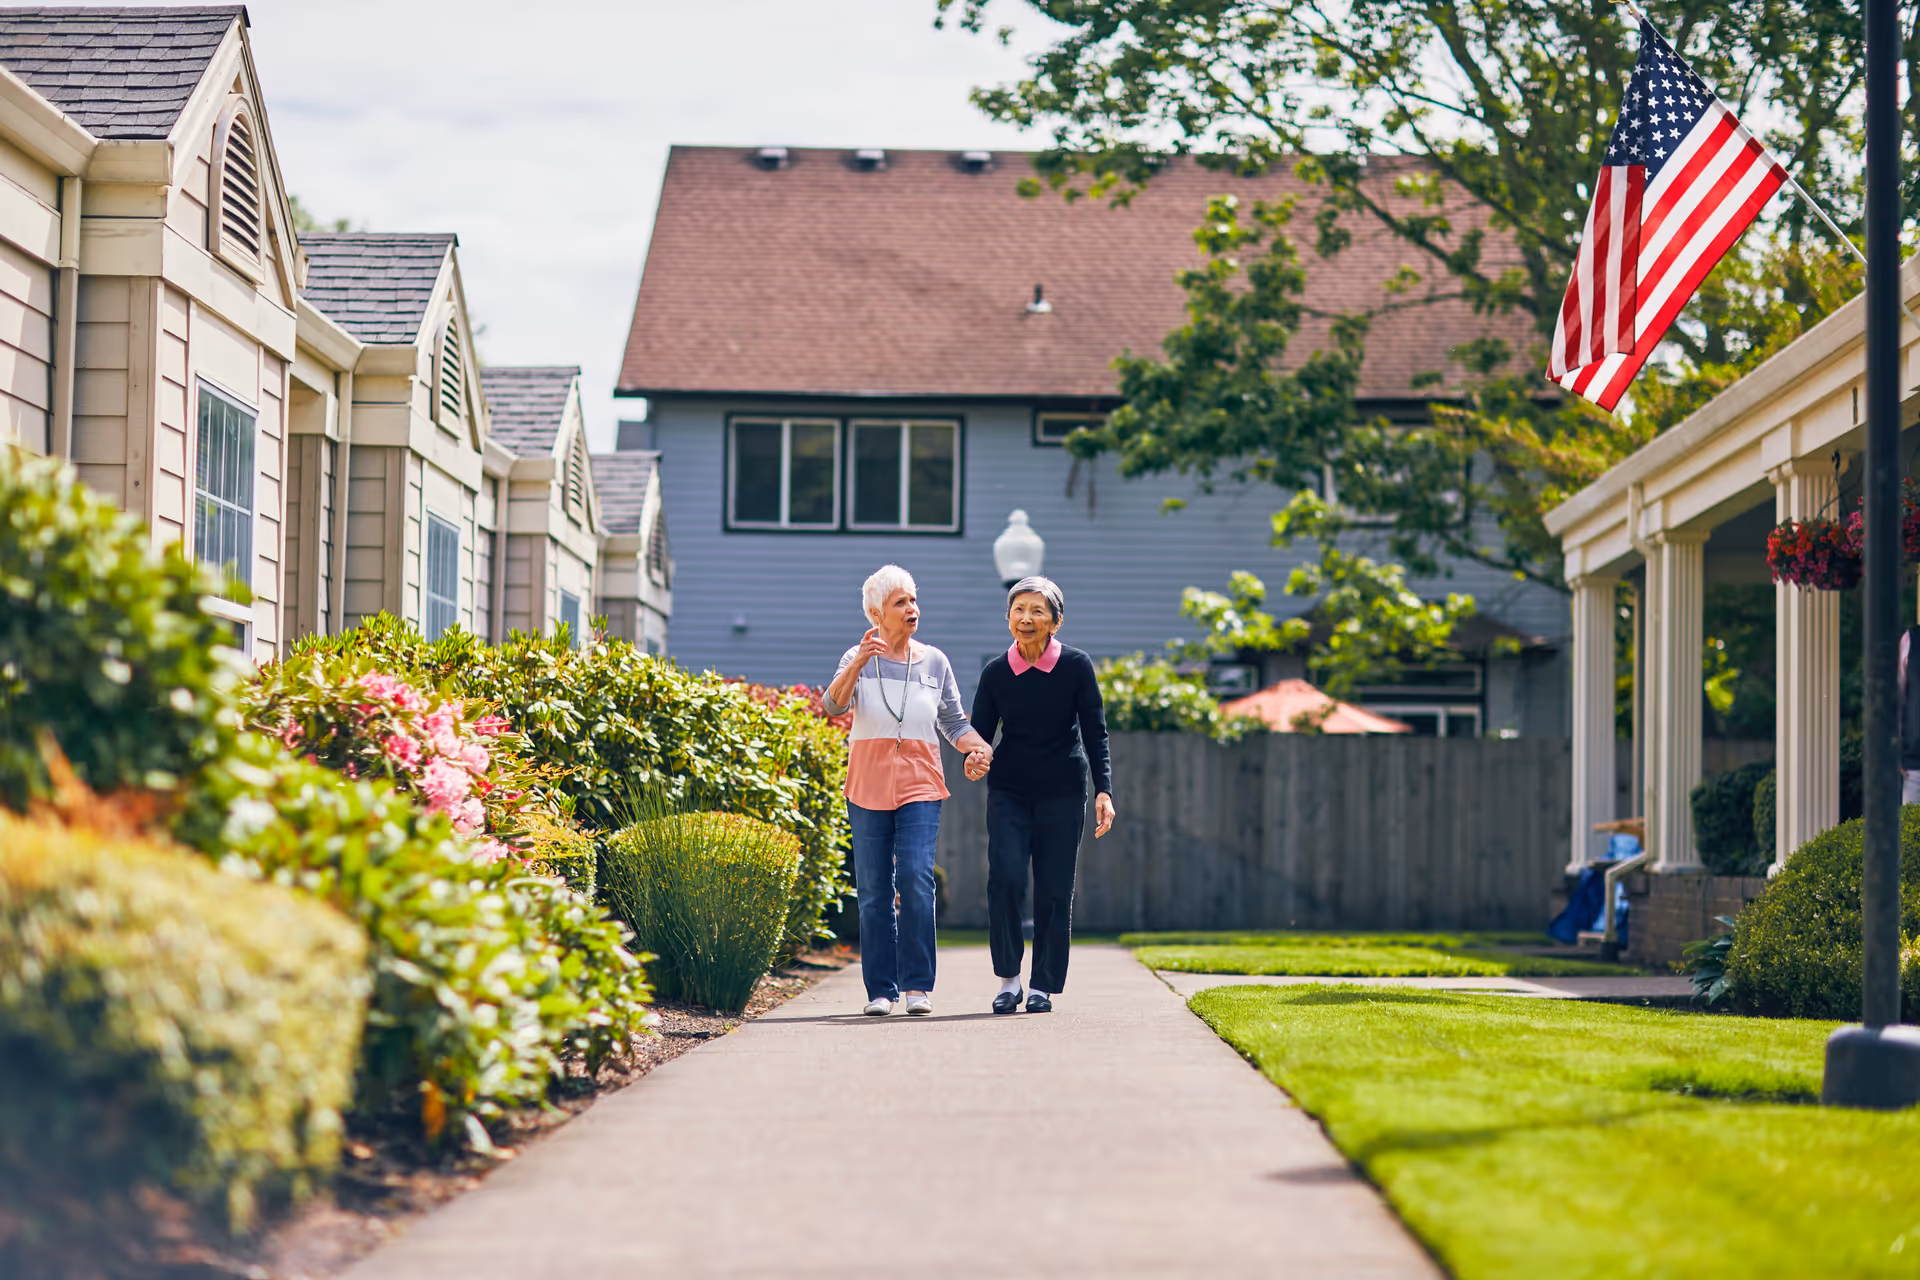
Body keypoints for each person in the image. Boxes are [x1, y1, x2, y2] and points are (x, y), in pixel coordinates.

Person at [824, 565, 993, 1017]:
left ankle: (918, 985)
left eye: (914, 600)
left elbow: (954, 722)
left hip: (921, 782)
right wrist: (859, 661)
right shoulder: (855, 656)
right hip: (866, 785)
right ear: (877, 612)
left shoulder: (934, 661)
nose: (912, 608)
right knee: (874, 891)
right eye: (901, 602)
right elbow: (833, 704)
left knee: (916, 879)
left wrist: (977, 749)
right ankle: (881, 990)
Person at [966, 576, 1114, 1014]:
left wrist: (1104, 789)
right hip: (1009, 790)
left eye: (1037, 611)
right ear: (1008, 617)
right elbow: (977, 735)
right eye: (1018, 609)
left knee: (1053, 890)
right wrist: (974, 758)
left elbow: (1095, 731)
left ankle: (1042, 985)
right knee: (1006, 879)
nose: (1026, 618)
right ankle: (1009, 979)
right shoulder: (996, 672)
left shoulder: (1076, 666)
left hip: (1063, 790)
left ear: (1056, 621)